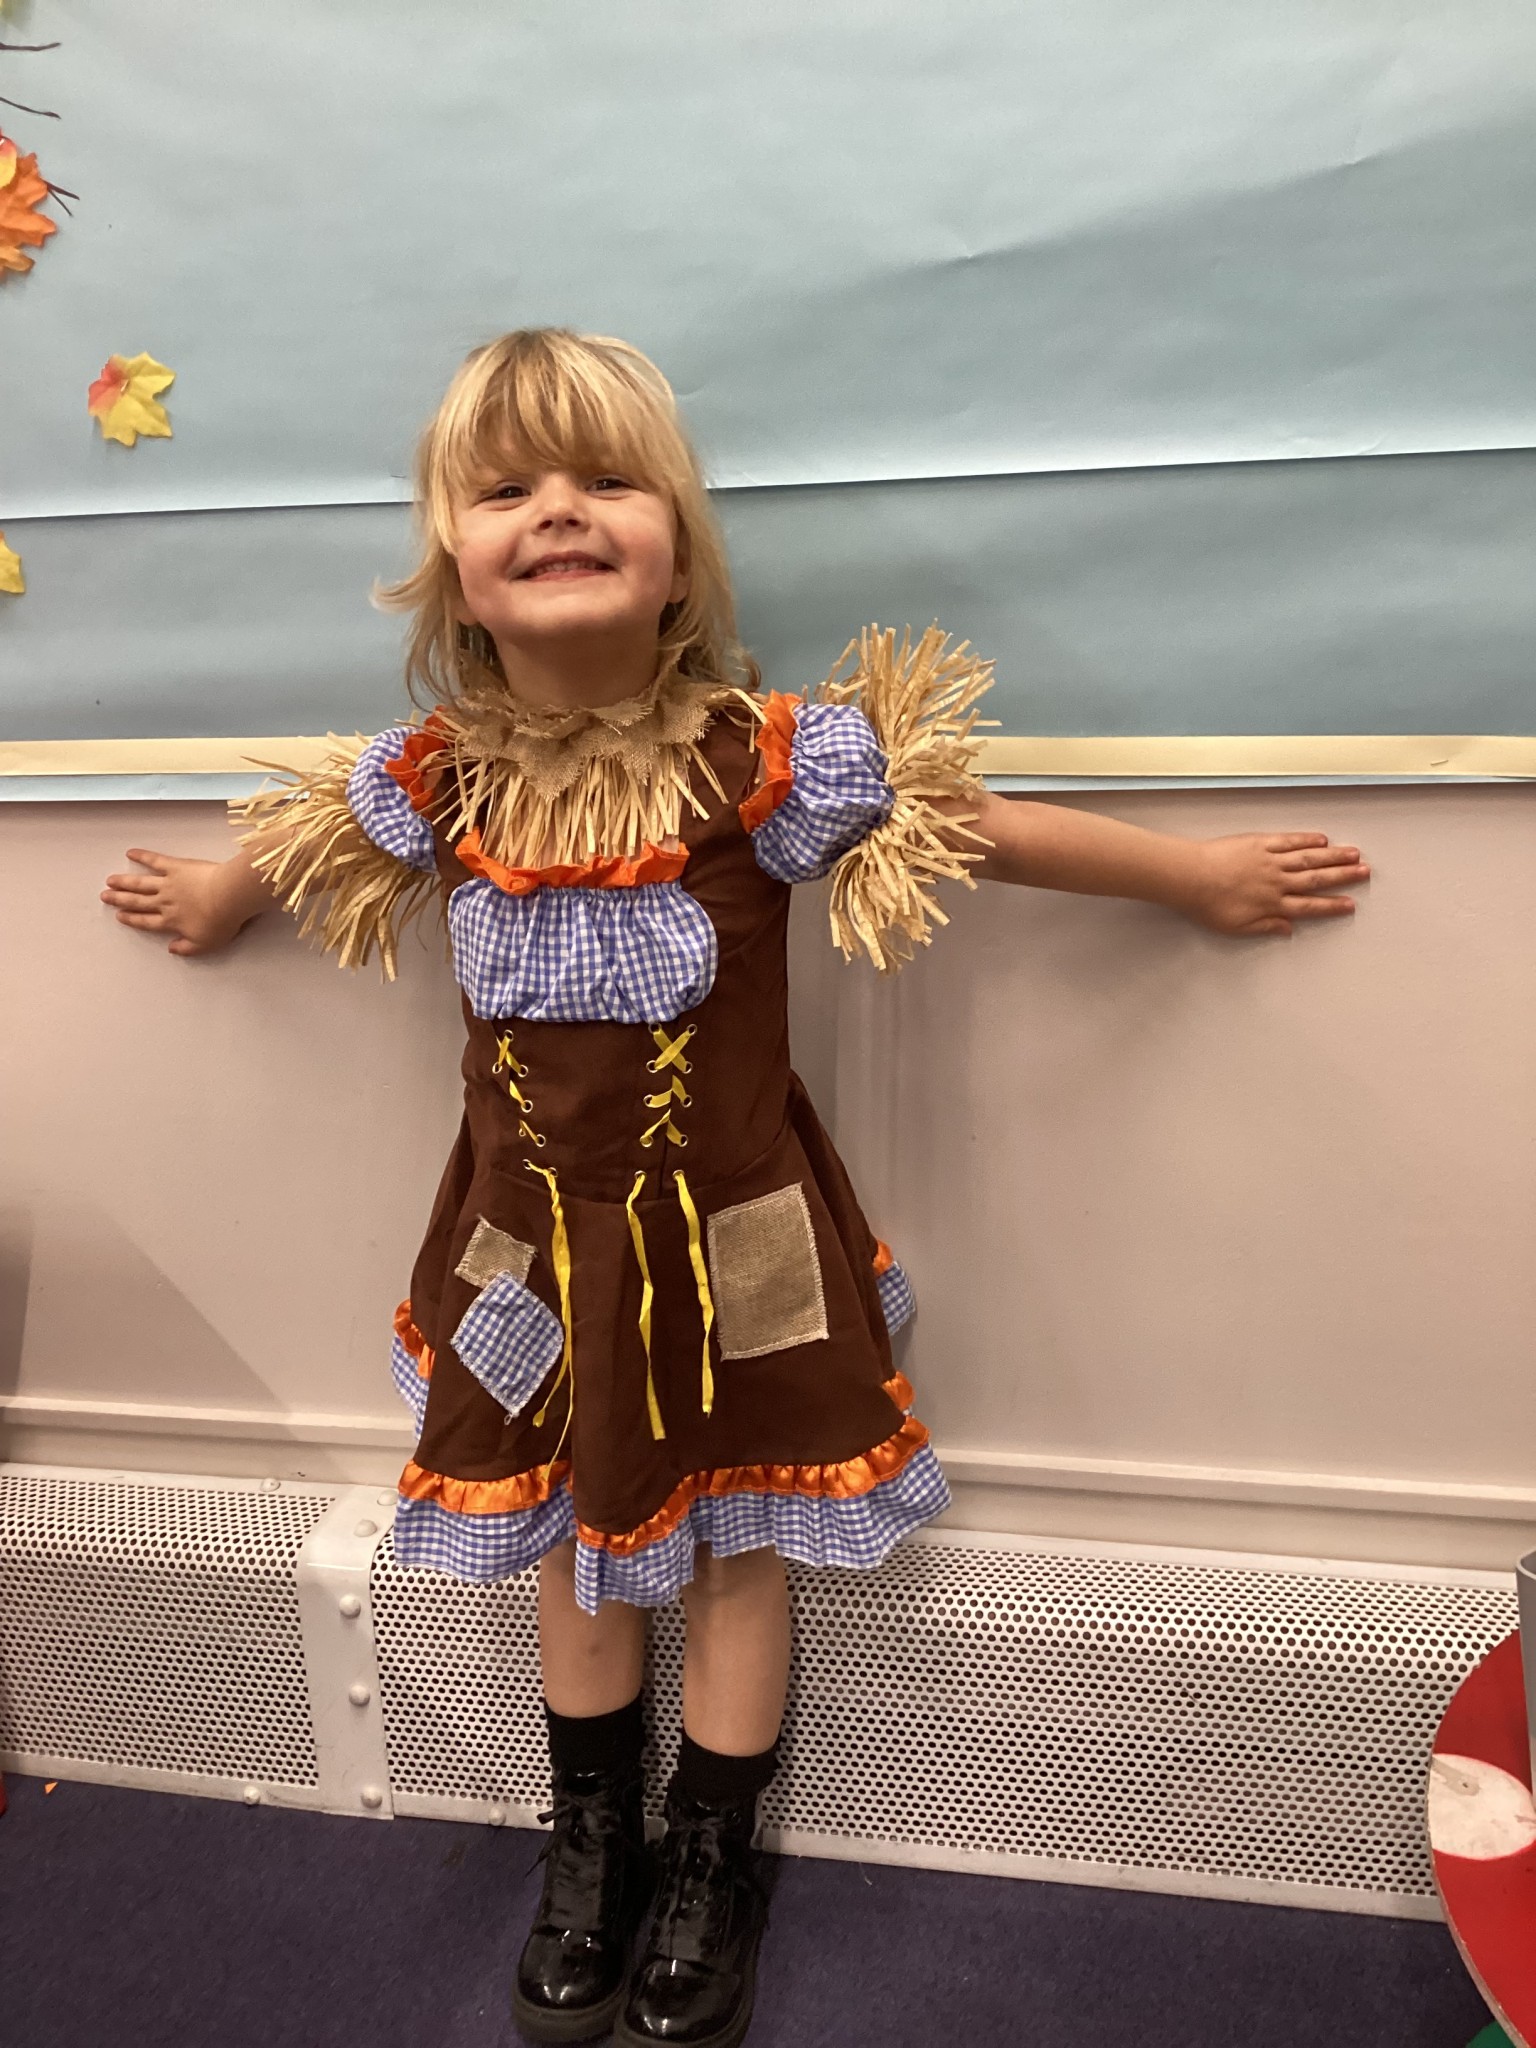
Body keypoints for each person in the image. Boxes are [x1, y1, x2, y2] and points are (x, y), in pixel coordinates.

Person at [102, 328, 1368, 2048]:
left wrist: (1197, 879)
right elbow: (301, 836)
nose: (560, 511)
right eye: (509, 489)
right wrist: (211, 895)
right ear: (453, 570)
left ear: (679, 550)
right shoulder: (436, 777)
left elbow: (981, 826)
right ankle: (593, 1842)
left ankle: (714, 1857)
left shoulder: (760, 757)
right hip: (528, 1250)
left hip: (738, 1247)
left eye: (607, 480)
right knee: (568, 1540)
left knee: (738, 1547)